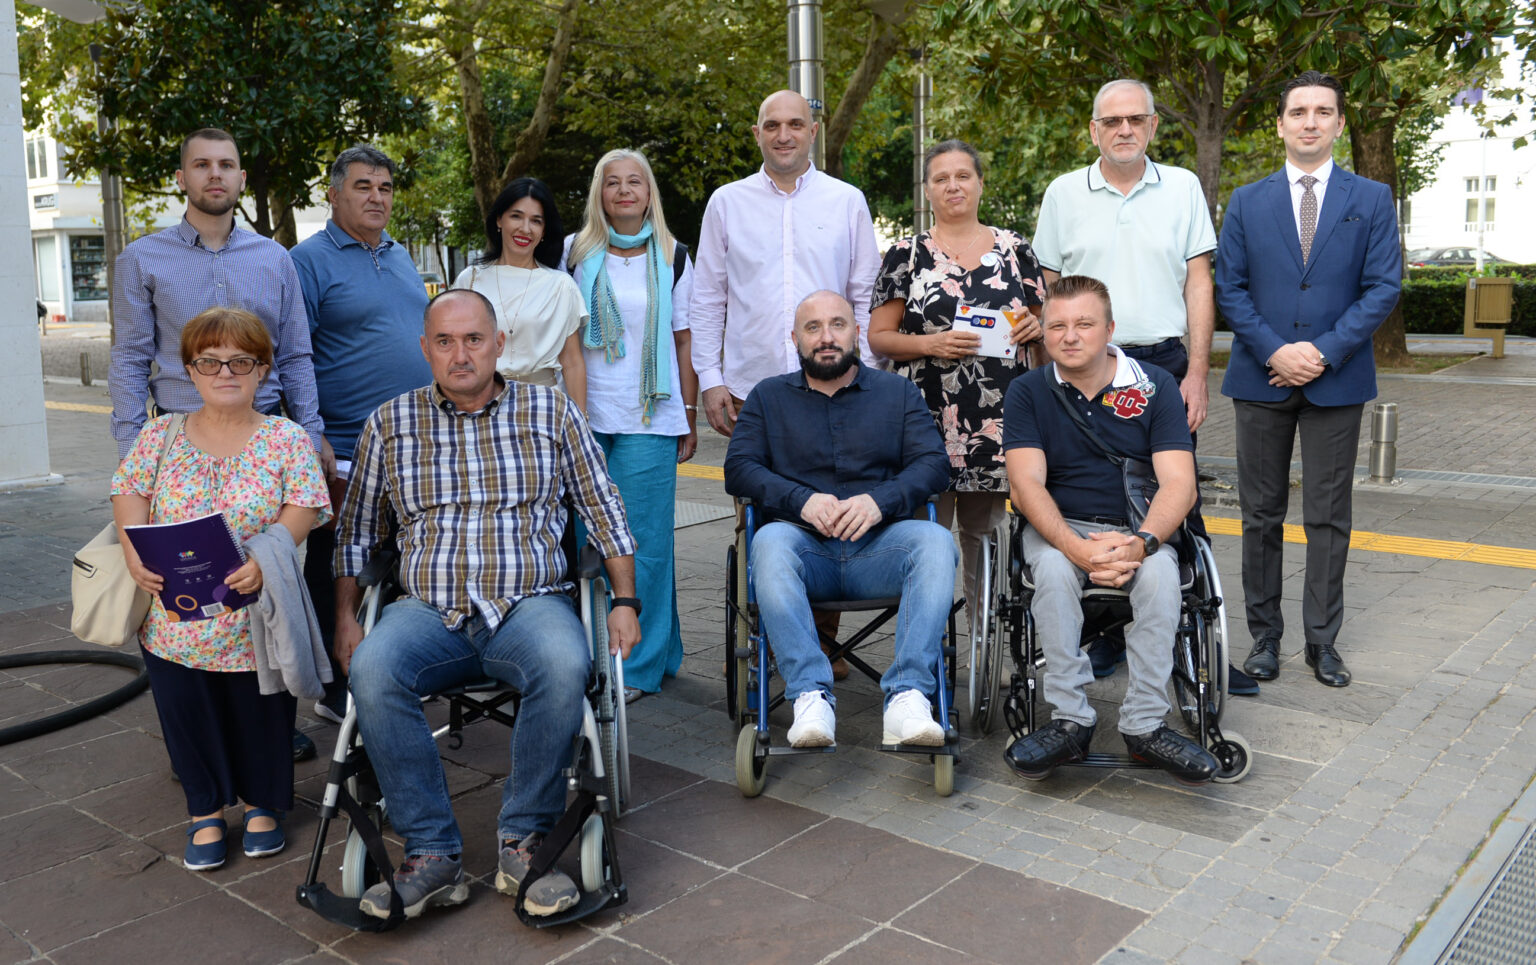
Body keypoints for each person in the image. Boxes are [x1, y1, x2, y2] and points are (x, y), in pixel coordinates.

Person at [332, 288, 640, 921]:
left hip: (529, 604)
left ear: (499, 344)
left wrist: (625, 600)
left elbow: (605, 510)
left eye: (474, 339)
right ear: (425, 349)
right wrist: (345, 617)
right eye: (445, 342)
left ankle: (523, 840)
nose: (460, 354)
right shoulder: (389, 423)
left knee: (564, 663)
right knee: (372, 669)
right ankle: (431, 852)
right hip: (427, 609)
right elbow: (356, 533)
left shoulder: (551, 411)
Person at [108, 126, 327, 763]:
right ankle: (201, 743)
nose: (214, 175)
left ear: (240, 178)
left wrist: (311, 431)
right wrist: (134, 449)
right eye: (201, 165)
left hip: (262, 440)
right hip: (180, 444)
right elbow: (128, 358)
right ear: (182, 178)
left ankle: (265, 727)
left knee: (263, 579)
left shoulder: (274, 259)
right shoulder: (143, 259)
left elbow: (296, 353)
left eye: (226, 165)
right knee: (190, 589)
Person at [1031, 82, 1257, 694]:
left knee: (1179, 502)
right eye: (1112, 121)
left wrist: (1196, 373)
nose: (1125, 129)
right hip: (1083, 361)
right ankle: (1105, 634)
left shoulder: (1182, 187)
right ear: (1094, 130)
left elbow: (1199, 283)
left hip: (1160, 360)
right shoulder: (1062, 193)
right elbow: (1049, 293)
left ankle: (1198, 644)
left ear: (1154, 126)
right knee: (1090, 492)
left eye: (1136, 119)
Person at [110, 307, 331, 871]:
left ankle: (262, 805)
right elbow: (129, 490)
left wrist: (269, 552)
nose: (225, 372)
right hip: (174, 619)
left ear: (263, 370)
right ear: (189, 369)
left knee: (260, 713)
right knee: (186, 712)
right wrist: (133, 551)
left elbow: (305, 505)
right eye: (209, 361)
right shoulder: (160, 434)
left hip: (255, 611)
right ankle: (204, 811)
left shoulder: (286, 438)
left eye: (240, 361)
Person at [1217, 71, 1401, 689]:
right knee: (1259, 516)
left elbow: (1383, 287)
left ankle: (1322, 642)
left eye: (1323, 111)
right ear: (1280, 124)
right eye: (1298, 112)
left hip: (1337, 382)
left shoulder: (1371, 198)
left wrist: (1321, 353)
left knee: (1328, 516)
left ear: (1340, 124)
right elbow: (1230, 289)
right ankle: (1264, 638)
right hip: (1260, 379)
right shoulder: (1247, 201)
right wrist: (1276, 351)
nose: (1310, 121)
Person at [692, 88, 881, 677]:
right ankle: (774, 634)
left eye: (794, 124)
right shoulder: (727, 203)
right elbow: (707, 296)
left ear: (813, 131)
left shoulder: (847, 201)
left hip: (834, 383)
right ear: (757, 134)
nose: (783, 134)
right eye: (771, 125)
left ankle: (820, 640)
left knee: (835, 502)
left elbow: (865, 296)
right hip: (752, 387)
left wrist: (869, 378)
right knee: (764, 512)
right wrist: (711, 379)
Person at [1000, 276, 1217, 785]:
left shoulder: (1155, 386)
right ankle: (1070, 720)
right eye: (1057, 326)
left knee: (1161, 576)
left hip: (1138, 526)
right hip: (1059, 528)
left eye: (1084, 324)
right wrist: (1075, 547)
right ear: (1044, 332)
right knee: (1053, 571)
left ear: (1110, 329)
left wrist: (1141, 543)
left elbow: (1179, 484)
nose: (1070, 336)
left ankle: (1145, 724)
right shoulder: (1027, 391)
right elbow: (1026, 485)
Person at [723, 291, 955, 748]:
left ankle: (908, 696)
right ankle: (810, 694)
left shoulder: (898, 393)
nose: (826, 337)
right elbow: (739, 468)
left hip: (880, 548)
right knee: (768, 542)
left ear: (857, 333)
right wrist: (801, 500)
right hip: (804, 551)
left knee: (935, 541)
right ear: (795, 339)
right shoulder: (768, 397)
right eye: (812, 328)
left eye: (837, 325)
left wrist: (878, 501)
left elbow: (934, 465)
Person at [868, 139, 1044, 610]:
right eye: (941, 178)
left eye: (963, 176)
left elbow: (1044, 330)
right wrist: (931, 344)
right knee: (927, 539)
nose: (953, 186)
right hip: (924, 420)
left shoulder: (1015, 250)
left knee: (986, 542)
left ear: (980, 183)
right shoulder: (905, 254)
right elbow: (878, 338)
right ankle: (927, 644)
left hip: (997, 421)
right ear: (927, 189)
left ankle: (985, 647)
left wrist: (1037, 329)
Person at [290, 144, 433, 724]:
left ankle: (386, 671)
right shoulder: (306, 261)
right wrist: (313, 433)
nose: (377, 197)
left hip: (413, 441)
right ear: (333, 194)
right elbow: (292, 355)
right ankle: (335, 684)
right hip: (346, 445)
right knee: (336, 561)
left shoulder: (399, 255)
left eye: (385, 187)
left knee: (398, 557)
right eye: (363, 186)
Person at [565, 148, 699, 702]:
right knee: (590, 541)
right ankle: (602, 652)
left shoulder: (674, 254)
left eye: (634, 182)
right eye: (612, 182)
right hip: (585, 416)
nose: (624, 191)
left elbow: (685, 340)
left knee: (644, 544)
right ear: (599, 193)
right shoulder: (574, 252)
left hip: (651, 414)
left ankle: (639, 666)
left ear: (649, 194)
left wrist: (689, 414)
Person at [452, 178, 588, 408]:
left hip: (542, 405)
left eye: (536, 221)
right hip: (481, 403)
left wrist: (580, 420)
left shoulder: (560, 286)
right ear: (499, 220)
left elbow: (572, 362)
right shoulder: (470, 279)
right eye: (516, 216)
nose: (525, 228)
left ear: (544, 231)